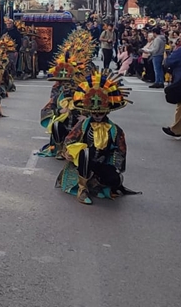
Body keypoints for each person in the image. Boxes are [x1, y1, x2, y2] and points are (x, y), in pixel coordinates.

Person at [55, 69, 138, 205]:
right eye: (94, 113)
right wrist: (68, 152)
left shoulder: (115, 130)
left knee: (115, 180)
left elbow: (121, 151)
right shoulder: (83, 125)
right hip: (83, 162)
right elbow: (70, 139)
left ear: (107, 111)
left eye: (100, 113)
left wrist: (114, 165)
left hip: (103, 162)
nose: (97, 116)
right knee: (87, 153)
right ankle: (82, 188)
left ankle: (96, 182)